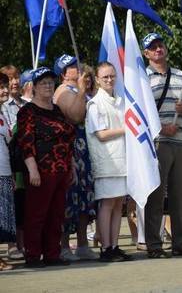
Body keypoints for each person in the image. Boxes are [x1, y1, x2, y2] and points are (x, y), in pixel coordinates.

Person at [142, 32, 182, 258]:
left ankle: (180, 242)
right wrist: (160, 128)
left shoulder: (180, 75)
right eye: (152, 47)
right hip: (157, 142)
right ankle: (154, 245)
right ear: (146, 53)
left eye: (160, 45)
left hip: (181, 140)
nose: (158, 49)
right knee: (156, 196)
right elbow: (141, 112)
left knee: (179, 194)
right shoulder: (142, 77)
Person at [17, 67, 76, 267]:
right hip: (40, 171)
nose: (48, 86)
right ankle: (33, 255)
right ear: (33, 87)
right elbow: (26, 142)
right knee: (36, 215)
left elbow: (67, 140)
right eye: (43, 83)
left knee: (56, 214)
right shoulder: (27, 111)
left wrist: (72, 166)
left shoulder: (57, 110)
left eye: (51, 82)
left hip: (62, 170)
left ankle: (52, 254)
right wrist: (32, 169)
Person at [85, 62, 132, 262]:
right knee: (107, 204)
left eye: (112, 76)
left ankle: (114, 245)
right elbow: (101, 134)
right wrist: (126, 130)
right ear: (97, 79)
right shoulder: (95, 104)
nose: (110, 80)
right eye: (105, 77)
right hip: (107, 161)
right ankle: (105, 247)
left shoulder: (120, 101)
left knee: (117, 204)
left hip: (122, 159)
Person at [53, 54, 97, 261]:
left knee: (85, 196)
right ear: (63, 73)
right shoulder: (63, 91)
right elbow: (76, 115)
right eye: (71, 66)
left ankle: (82, 243)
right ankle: (63, 246)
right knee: (70, 198)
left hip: (85, 148)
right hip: (71, 149)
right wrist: (81, 90)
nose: (77, 68)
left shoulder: (81, 90)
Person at [0, 73, 15, 270]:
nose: (4, 90)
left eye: (5, 86)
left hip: (4, 170)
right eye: (1, 87)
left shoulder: (3, 113)